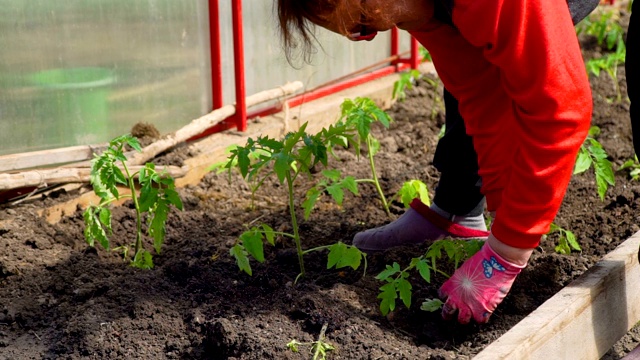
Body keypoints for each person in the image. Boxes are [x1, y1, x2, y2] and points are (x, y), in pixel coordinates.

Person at [275, 0, 596, 324]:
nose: (370, 37)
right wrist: (502, 205)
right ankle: (457, 215)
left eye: (361, 21)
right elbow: (481, 94)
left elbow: (560, 112)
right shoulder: (414, 8)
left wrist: (506, 254)